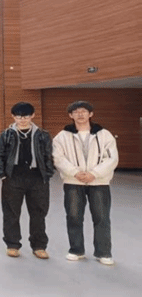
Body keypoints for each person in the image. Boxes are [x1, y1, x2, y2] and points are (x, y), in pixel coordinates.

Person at [53, 101, 118, 266]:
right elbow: (58, 158)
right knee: (74, 216)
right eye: (75, 112)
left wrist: (94, 174)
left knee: (102, 217)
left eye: (83, 111)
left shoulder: (104, 135)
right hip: (73, 182)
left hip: (99, 183)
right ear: (70, 115)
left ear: (91, 114)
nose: (80, 114)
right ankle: (76, 250)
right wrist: (75, 172)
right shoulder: (62, 136)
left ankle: (104, 253)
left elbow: (112, 158)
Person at [0, 102, 54, 260]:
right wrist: (3, 174)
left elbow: (48, 155)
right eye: (19, 116)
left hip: (37, 178)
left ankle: (39, 246)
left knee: (39, 213)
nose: (22, 119)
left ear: (32, 116)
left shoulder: (42, 135)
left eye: (26, 116)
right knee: (11, 213)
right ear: (13, 117)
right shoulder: (6, 134)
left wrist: (47, 174)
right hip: (13, 177)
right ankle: (12, 245)